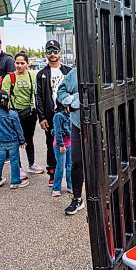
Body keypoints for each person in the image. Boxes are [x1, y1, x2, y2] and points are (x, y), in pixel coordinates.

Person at [1, 52, 44, 179]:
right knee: (15, 141)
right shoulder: (9, 78)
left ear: (27, 64)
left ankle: (31, 164)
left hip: (30, 113)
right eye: (17, 63)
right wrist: (8, 112)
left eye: (22, 63)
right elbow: (5, 96)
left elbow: (36, 94)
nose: (19, 66)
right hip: (15, 114)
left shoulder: (32, 76)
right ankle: (18, 168)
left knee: (28, 139)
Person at [35, 40, 72, 186]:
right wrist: (42, 117)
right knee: (52, 144)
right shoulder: (41, 74)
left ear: (60, 52)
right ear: (45, 53)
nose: (52, 54)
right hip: (50, 116)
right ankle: (52, 173)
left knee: (70, 143)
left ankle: (71, 174)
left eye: (55, 51)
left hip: (67, 115)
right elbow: (38, 97)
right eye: (49, 51)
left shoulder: (68, 71)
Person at [57, 68, 85, 215]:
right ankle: (77, 198)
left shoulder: (107, 68)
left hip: (102, 125)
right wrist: (67, 100)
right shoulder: (74, 73)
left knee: (103, 163)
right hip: (78, 124)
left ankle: (105, 197)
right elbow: (61, 91)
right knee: (76, 161)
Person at [0, 90, 29, 189]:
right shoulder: (13, 114)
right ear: (8, 100)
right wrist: (22, 141)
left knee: (0, 159)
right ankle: (15, 182)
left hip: (0, 141)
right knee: (14, 161)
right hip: (12, 141)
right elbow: (18, 128)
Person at [51, 108, 72, 197]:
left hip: (69, 143)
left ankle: (70, 186)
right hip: (61, 145)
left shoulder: (70, 115)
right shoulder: (58, 116)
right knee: (60, 166)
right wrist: (61, 144)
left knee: (70, 165)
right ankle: (56, 188)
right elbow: (57, 131)